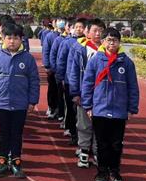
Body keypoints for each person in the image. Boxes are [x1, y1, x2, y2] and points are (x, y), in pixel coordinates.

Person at [81, 27, 140, 181]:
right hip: (99, 109)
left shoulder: (126, 63)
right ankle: (102, 172)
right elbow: (87, 84)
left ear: (119, 42)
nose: (112, 43)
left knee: (116, 144)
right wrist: (88, 105)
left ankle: (115, 172)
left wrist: (132, 108)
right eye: (109, 40)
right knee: (101, 144)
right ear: (103, 42)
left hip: (119, 111)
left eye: (115, 40)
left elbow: (133, 87)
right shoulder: (95, 60)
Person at [0, 23, 40, 178]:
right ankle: (1, 162)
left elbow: (34, 81)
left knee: (16, 133)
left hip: (20, 104)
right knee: (3, 133)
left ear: (21, 39)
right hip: (0, 103)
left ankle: (16, 162)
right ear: (3, 38)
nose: (12, 41)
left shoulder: (27, 58)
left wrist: (32, 101)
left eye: (16, 38)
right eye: (9, 38)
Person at [67, 18, 105, 168]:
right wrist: (75, 92)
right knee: (84, 124)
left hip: (102, 96)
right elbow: (73, 72)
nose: (98, 34)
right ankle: (83, 152)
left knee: (100, 126)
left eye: (101, 31)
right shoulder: (80, 49)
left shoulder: (108, 50)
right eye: (95, 30)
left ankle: (96, 152)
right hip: (85, 94)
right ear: (87, 32)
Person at [56, 18, 87, 146]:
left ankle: (84, 138)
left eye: (82, 27)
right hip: (71, 81)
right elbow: (62, 61)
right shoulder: (68, 43)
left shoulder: (89, 45)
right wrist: (61, 78)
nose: (79, 29)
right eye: (77, 27)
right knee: (71, 108)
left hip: (85, 84)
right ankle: (72, 132)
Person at [41, 23, 60, 119]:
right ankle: (51, 107)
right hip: (53, 68)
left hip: (62, 70)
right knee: (52, 88)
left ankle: (59, 109)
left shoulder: (67, 37)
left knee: (60, 91)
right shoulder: (50, 36)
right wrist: (47, 66)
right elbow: (46, 51)